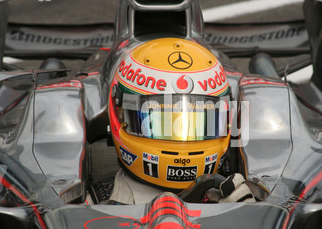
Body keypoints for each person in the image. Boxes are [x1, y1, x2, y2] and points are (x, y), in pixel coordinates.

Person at [88, 37, 255, 204]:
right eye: (159, 124)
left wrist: (242, 215)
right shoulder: (91, 204)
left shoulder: (238, 200)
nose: (181, 146)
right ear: (118, 115)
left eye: (199, 125)